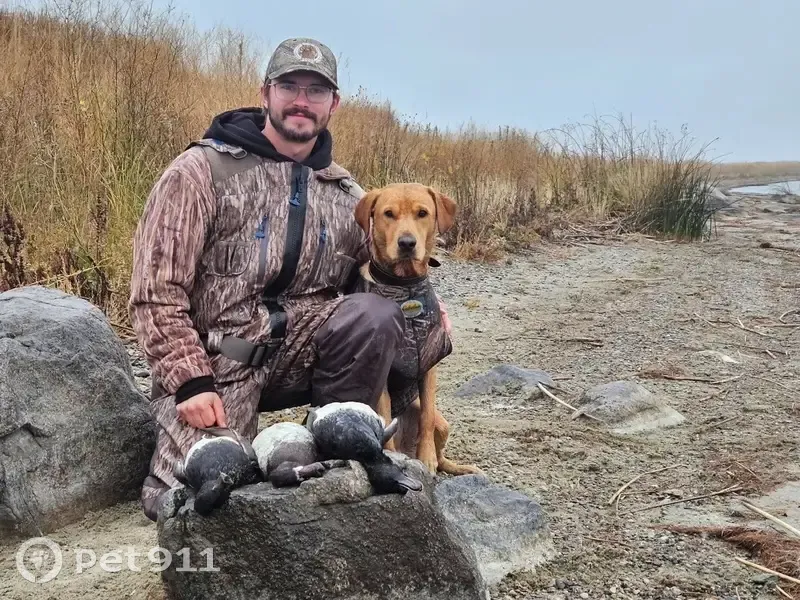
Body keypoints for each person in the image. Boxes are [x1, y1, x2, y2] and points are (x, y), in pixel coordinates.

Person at [128, 37, 450, 522]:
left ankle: (341, 441)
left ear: (333, 104)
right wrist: (189, 381)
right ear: (266, 93)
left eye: (316, 91)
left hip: (308, 356)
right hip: (221, 363)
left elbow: (391, 267)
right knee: (200, 491)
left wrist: (425, 310)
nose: (302, 100)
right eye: (289, 86)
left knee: (375, 315)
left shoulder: (347, 196)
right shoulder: (199, 172)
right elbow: (155, 292)